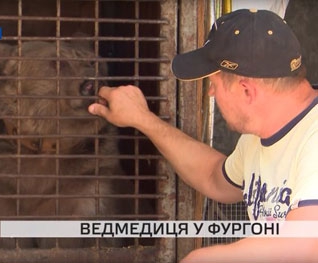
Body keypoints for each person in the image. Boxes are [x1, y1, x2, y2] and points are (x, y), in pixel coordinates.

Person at [88, 9, 318, 263]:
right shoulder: (261, 134)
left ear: (246, 91)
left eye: (215, 84)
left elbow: (306, 244)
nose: (210, 93)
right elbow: (213, 176)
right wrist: (142, 118)